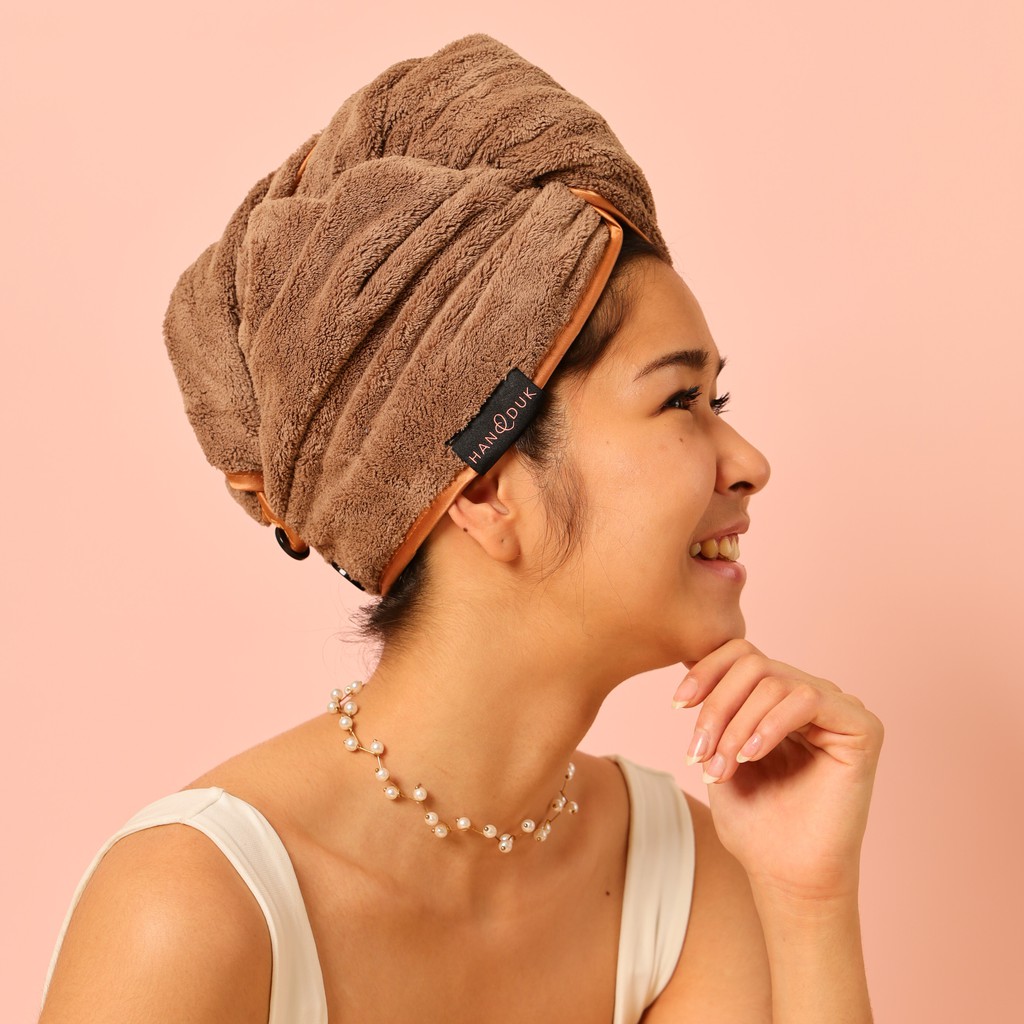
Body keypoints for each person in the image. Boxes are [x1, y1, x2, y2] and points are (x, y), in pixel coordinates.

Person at [39, 33, 883, 1024]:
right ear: (484, 490)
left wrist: (808, 900)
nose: (748, 462)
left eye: (717, 399)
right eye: (679, 401)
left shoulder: (684, 873)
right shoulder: (191, 910)